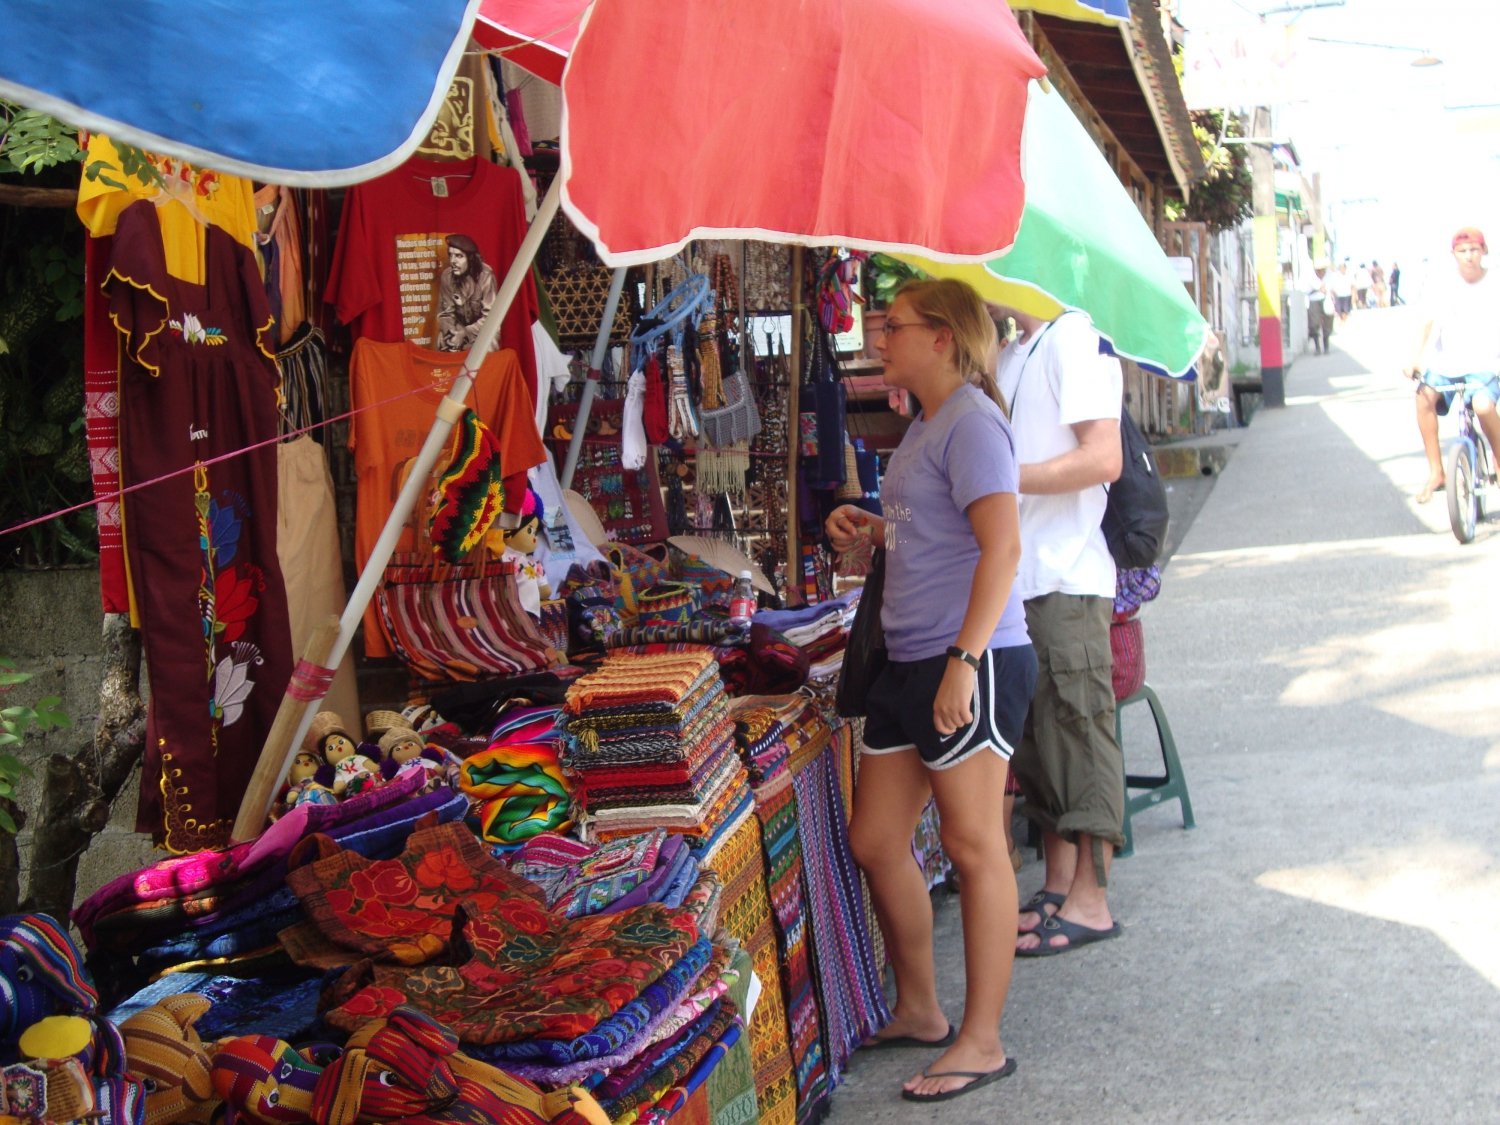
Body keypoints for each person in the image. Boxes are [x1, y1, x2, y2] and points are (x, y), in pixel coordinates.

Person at [825, 278, 1036, 1105]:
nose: (881, 338)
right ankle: (921, 1006)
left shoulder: (975, 422)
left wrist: (964, 658)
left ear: (944, 337)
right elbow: (938, 533)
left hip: (966, 661)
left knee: (974, 844)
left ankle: (981, 1041)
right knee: (877, 836)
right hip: (909, 662)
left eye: (894, 325)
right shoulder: (926, 422)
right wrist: (871, 525)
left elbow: (1003, 549)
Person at [990, 305, 1125, 958]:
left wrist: (1002, 479)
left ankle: (1092, 900)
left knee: (1079, 729)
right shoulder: (1018, 350)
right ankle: (1060, 884)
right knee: (1041, 742)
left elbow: (1104, 456)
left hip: (1067, 572)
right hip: (1023, 577)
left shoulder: (1075, 335)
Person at [1404, 226, 1500, 504]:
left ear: (1484, 251)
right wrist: (1415, 357)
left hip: (1486, 364)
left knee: (1483, 407)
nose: (1469, 256)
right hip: (1447, 363)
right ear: (1453, 255)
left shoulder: (1494, 281)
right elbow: (1427, 321)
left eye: (1474, 250)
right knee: (1423, 396)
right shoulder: (1442, 283)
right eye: (1462, 251)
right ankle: (1437, 472)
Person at [436, 233, 499, 352]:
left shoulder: (486, 276)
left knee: (489, 344)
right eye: (451, 255)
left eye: (459, 256)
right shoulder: (447, 276)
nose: (453, 261)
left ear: (470, 259)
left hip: (482, 332)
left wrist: (464, 333)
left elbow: (490, 318)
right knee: (441, 342)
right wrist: (452, 333)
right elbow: (446, 313)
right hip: (458, 329)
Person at [1307, 262, 1334, 355]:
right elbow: (1307, 288)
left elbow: (1330, 288)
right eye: (1318, 270)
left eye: (1322, 270)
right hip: (1314, 300)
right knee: (1314, 324)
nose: (1320, 272)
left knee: (1327, 324)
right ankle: (1317, 347)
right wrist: (1319, 288)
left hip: (1326, 300)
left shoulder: (1329, 276)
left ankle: (1326, 347)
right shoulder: (1311, 277)